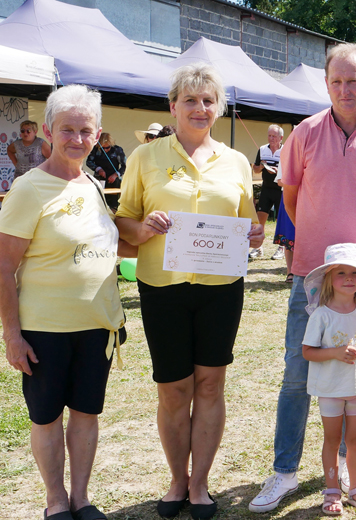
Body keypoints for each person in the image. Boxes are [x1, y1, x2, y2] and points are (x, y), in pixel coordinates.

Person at [249, 42, 356, 514]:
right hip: (313, 277)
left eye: (353, 81)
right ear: (327, 84)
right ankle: (284, 471)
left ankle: (342, 467)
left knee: (354, 374)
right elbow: (294, 201)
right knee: (298, 375)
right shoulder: (304, 133)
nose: (344, 89)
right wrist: (320, 243)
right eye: (336, 81)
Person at [115, 63, 263, 520]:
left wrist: (254, 235)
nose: (200, 108)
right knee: (173, 389)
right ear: (173, 106)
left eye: (208, 100)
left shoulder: (237, 162)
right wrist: (141, 228)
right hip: (162, 287)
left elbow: (249, 222)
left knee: (211, 383)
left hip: (221, 288)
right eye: (191, 100)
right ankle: (177, 481)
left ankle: (200, 485)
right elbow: (124, 220)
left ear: (217, 108)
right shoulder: (146, 158)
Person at [0, 85, 135, 520]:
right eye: (67, 130)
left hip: (96, 327)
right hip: (44, 330)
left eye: (85, 130)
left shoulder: (94, 184)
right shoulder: (28, 188)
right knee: (45, 419)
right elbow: (3, 267)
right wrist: (13, 336)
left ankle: (81, 498)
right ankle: (55, 501)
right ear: (48, 131)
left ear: (97, 135)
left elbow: (109, 248)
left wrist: (151, 232)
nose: (77, 139)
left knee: (86, 415)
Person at [302, 243, 356, 515]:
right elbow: (307, 352)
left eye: (355, 273)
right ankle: (332, 489)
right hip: (330, 389)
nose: (349, 279)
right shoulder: (322, 314)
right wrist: (336, 352)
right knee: (332, 440)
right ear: (328, 279)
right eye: (341, 273)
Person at [252, 124, 285, 258]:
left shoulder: (286, 151)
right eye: (269, 136)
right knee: (260, 219)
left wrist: (279, 172)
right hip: (266, 188)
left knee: (280, 220)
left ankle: (282, 248)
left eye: (274, 136)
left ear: (281, 138)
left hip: (280, 190)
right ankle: (258, 248)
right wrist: (261, 166)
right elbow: (255, 169)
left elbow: (290, 170)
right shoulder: (262, 149)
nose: (271, 139)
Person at [86, 133, 126, 210]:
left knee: (113, 203)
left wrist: (115, 175)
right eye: (102, 148)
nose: (105, 150)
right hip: (99, 179)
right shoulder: (95, 149)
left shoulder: (117, 150)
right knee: (99, 202)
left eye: (107, 148)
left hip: (114, 180)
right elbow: (89, 162)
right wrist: (98, 169)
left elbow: (125, 165)